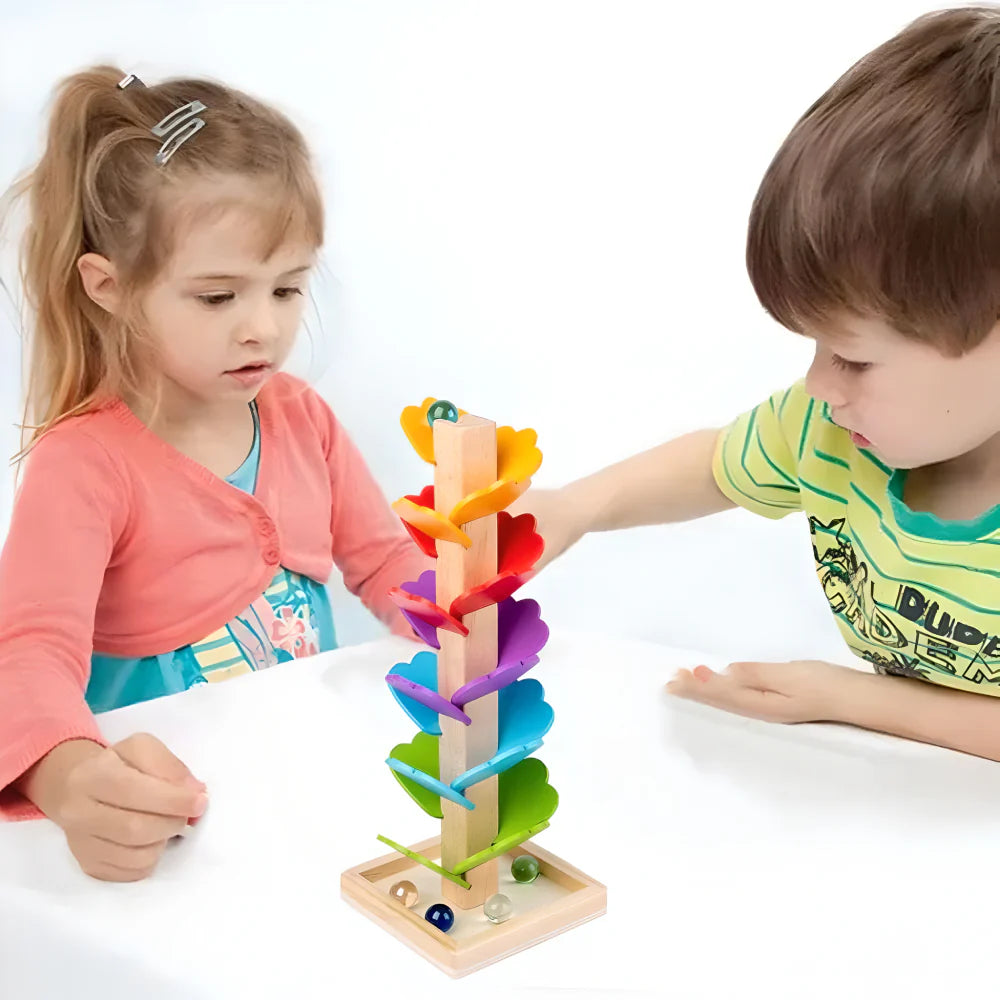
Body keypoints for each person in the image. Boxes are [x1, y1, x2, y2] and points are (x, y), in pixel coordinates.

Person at [514, 7, 1000, 762]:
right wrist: (577, 508)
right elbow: (718, 465)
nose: (818, 385)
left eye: (854, 358)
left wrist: (850, 698)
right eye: (817, 346)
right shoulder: (833, 430)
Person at [0, 67, 429, 881]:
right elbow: (27, 654)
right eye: (216, 297)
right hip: (177, 837)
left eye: (288, 288)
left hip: (304, 796)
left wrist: (458, 622)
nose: (262, 327)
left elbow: (382, 562)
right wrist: (69, 779)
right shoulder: (83, 465)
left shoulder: (301, 417)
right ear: (110, 287)